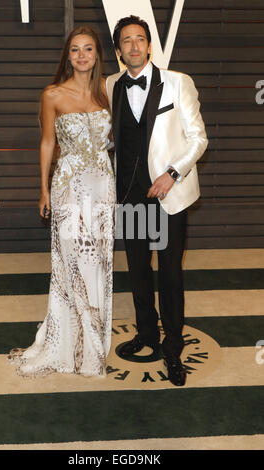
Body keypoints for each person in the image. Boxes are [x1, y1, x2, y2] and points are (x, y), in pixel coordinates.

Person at [106, 16, 208, 386]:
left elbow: (199, 139)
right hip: (131, 197)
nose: (134, 46)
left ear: (150, 46)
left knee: (169, 273)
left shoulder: (179, 82)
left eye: (140, 39)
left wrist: (172, 174)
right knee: (138, 271)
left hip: (168, 197)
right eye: (126, 42)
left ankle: (174, 349)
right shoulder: (111, 84)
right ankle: (147, 335)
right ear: (118, 51)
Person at [8, 26, 115, 378]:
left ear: (97, 54)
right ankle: (75, 346)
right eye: (74, 50)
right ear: (67, 56)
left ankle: (92, 339)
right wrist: (43, 190)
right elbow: (47, 144)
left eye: (88, 49)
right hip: (69, 188)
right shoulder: (52, 94)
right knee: (72, 264)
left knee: (98, 263)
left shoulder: (107, 92)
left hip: (103, 189)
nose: (82, 55)